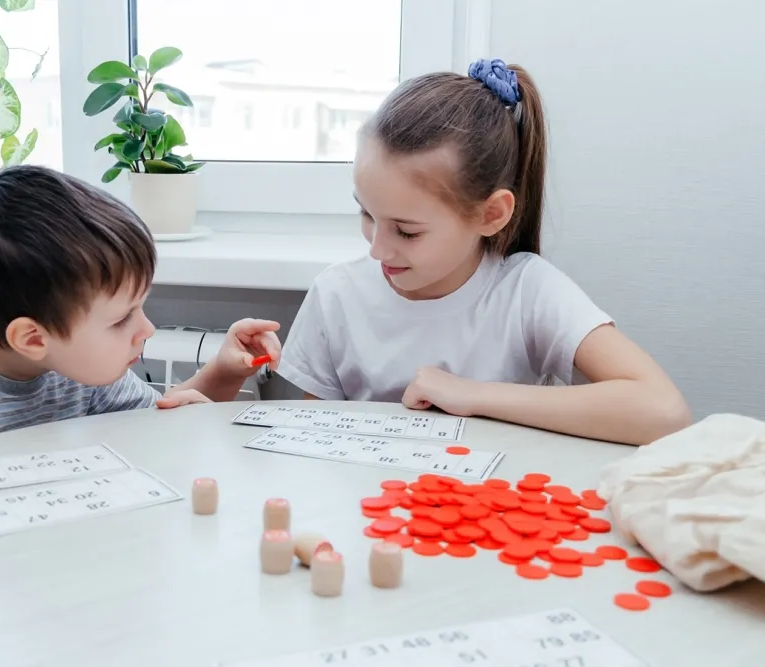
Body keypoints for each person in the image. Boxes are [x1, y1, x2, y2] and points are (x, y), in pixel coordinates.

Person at [277, 59, 690, 446]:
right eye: (367, 213)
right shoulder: (336, 295)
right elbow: (316, 443)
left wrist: (473, 395)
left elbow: (665, 412)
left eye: (406, 231)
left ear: (491, 215)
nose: (377, 249)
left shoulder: (527, 291)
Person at [0, 165, 281, 495]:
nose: (147, 329)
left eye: (140, 307)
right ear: (33, 339)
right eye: (121, 318)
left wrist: (224, 370)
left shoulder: (81, 371)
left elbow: (159, 428)